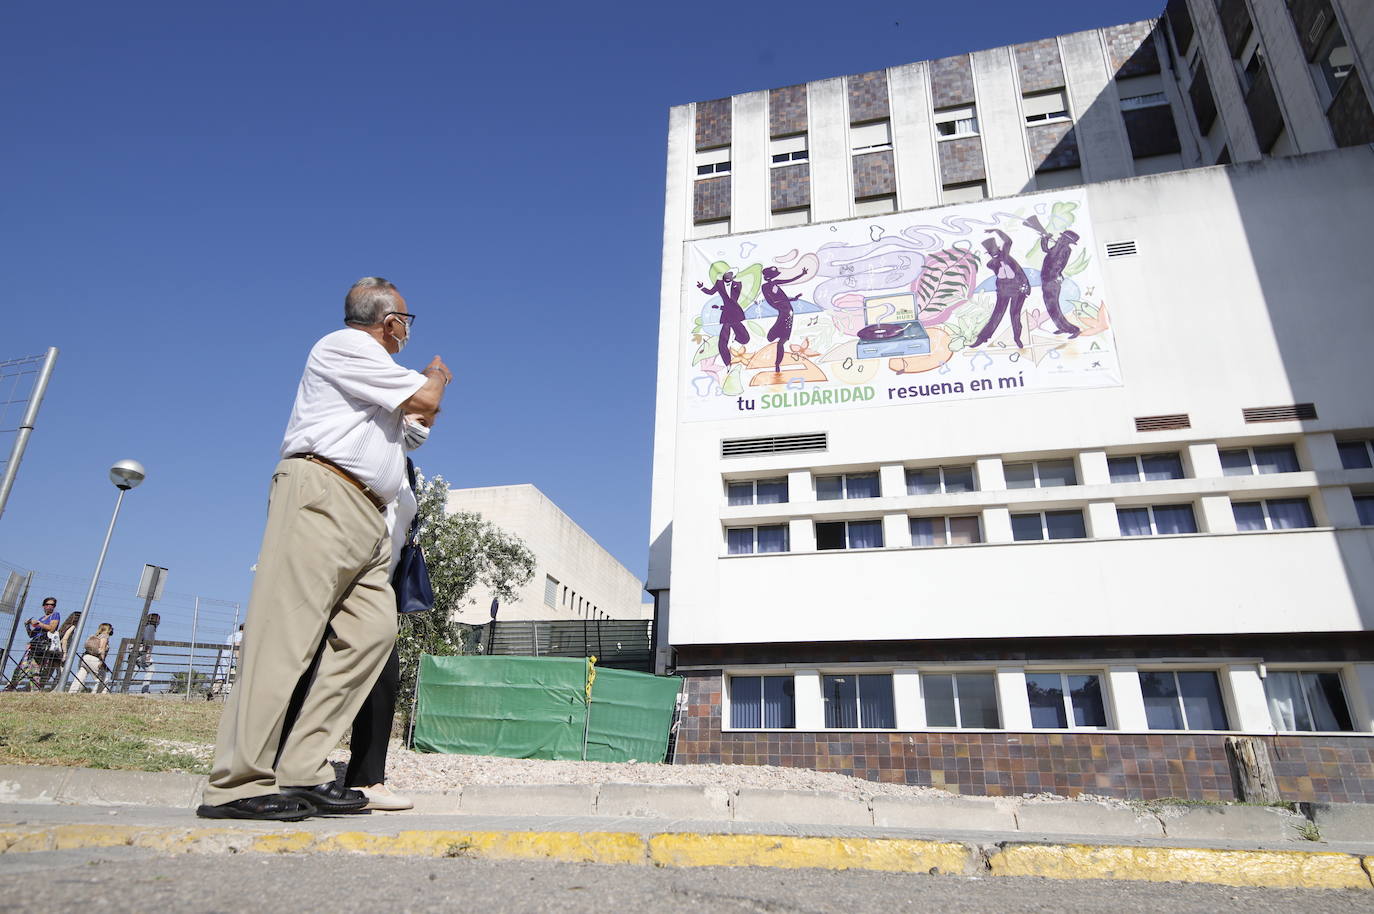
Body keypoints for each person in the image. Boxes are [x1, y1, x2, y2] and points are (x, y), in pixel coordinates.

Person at [196, 277, 450, 822]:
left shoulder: (373, 379)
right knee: (284, 638)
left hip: (368, 515)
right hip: (323, 494)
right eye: (405, 319)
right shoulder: (346, 346)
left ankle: (303, 769)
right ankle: (235, 783)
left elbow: (417, 426)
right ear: (389, 322)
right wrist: (436, 374)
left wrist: (419, 409)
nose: (407, 329)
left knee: (372, 634)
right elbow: (428, 400)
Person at [971, 229, 1032, 349]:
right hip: (1003, 291)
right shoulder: (992, 263)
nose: (994, 254)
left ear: (999, 249)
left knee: (1014, 314)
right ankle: (982, 338)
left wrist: (997, 231)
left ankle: (1017, 338)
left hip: (1018, 290)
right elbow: (1001, 275)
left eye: (995, 251)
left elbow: (1008, 241)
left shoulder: (1005, 256)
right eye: (991, 253)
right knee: (997, 315)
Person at [760, 266, 808, 373]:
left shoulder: (776, 283)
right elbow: (770, 301)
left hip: (788, 312)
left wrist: (802, 275)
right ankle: (777, 362)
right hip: (783, 311)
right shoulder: (765, 287)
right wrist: (779, 306)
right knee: (771, 337)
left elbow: (790, 280)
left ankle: (777, 364)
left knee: (782, 341)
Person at [7, 598, 60, 691]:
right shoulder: (42, 618)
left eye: (52, 605)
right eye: (48, 604)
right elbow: (31, 634)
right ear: (43, 606)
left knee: (35, 670)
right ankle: (10, 688)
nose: (50, 606)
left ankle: (34, 690)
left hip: (42, 647)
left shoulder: (55, 615)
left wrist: (39, 624)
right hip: (34, 646)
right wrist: (27, 625)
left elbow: (52, 628)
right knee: (20, 668)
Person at [697, 271, 748, 365]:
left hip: (735, 314)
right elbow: (710, 292)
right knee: (722, 343)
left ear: (733, 277)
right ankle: (727, 363)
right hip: (727, 316)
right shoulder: (719, 284)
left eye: (730, 276)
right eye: (726, 275)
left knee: (745, 338)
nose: (728, 277)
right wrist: (702, 287)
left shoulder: (737, 284)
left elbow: (733, 301)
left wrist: (721, 307)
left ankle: (733, 340)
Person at [1038, 229, 1080, 337]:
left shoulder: (1064, 249)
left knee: (1054, 308)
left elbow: (1055, 263)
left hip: (1051, 281)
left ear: (1066, 241)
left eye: (1062, 238)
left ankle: (1074, 330)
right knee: (1052, 309)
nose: (1059, 238)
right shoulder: (1058, 247)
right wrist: (1045, 239)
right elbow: (1045, 250)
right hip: (1048, 280)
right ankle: (1062, 327)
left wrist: (1053, 243)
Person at [69, 623, 114, 693]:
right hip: (94, 659)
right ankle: (96, 694)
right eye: (111, 629)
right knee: (103, 678)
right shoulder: (105, 636)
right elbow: (101, 649)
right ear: (108, 629)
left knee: (80, 677)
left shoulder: (95, 636)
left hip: (85, 657)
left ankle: (72, 692)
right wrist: (102, 661)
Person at [130, 613, 160, 693]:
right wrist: (148, 653)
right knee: (151, 669)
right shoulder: (150, 628)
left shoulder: (143, 627)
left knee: (133, 670)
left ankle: (122, 688)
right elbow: (147, 641)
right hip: (142, 652)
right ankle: (145, 690)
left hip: (135, 652)